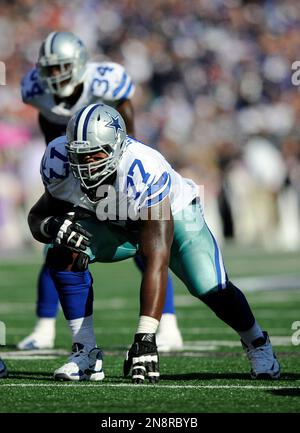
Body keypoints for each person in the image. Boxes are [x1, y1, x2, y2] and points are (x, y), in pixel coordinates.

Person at [28, 103, 280, 383]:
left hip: (176, 214)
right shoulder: (59, 160)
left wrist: (145, 338)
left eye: (95, 155)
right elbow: (37, 216)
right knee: (62, 249)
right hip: (113, 220)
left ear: (116, 149)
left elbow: (156, 260)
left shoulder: (143, 168)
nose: (87, 166)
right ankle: (85, 352)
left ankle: (257, 342)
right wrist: (52, 226)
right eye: (80, 156)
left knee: (209, 286)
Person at [19, 31, 182, 352]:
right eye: (48, 69)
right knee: (59, 242)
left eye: (60, 67)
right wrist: (62, 174)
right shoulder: (36, 91)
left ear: (79, 63)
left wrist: (121, 172)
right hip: (77, 170)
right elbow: (50, 127)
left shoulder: (106, 82)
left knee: (147, 246)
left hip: (118, 168)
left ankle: (169, 324)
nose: (54, 76)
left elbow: (129, 130)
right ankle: (44, 327)